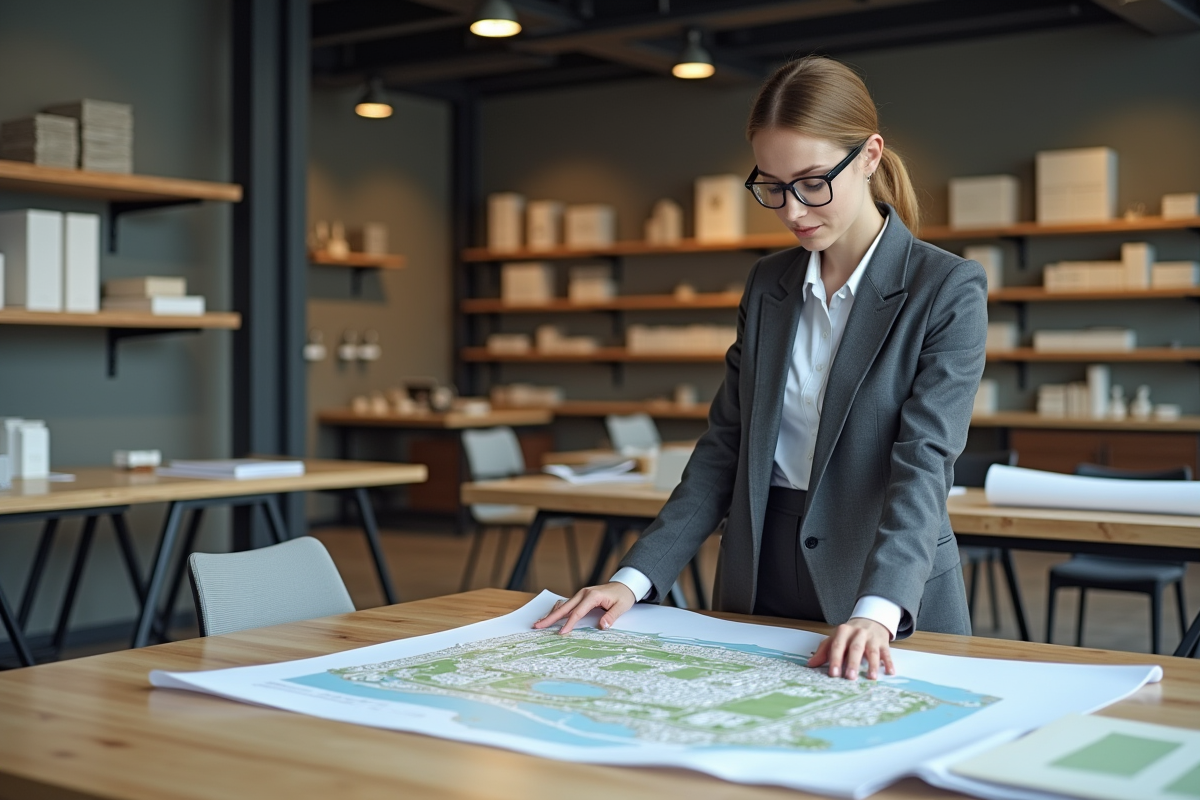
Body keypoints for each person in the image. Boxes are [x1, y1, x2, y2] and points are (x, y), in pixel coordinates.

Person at [535, 55, 987, 682]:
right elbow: (726, 446)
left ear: (870, 156)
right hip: (757, 571)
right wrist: (633, 580)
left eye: (810, 183)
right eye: (772, 187)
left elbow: (924, 462)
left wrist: (879, 611)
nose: (793, 210)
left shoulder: (946, 288)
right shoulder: (768, 283)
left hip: (883, 584)